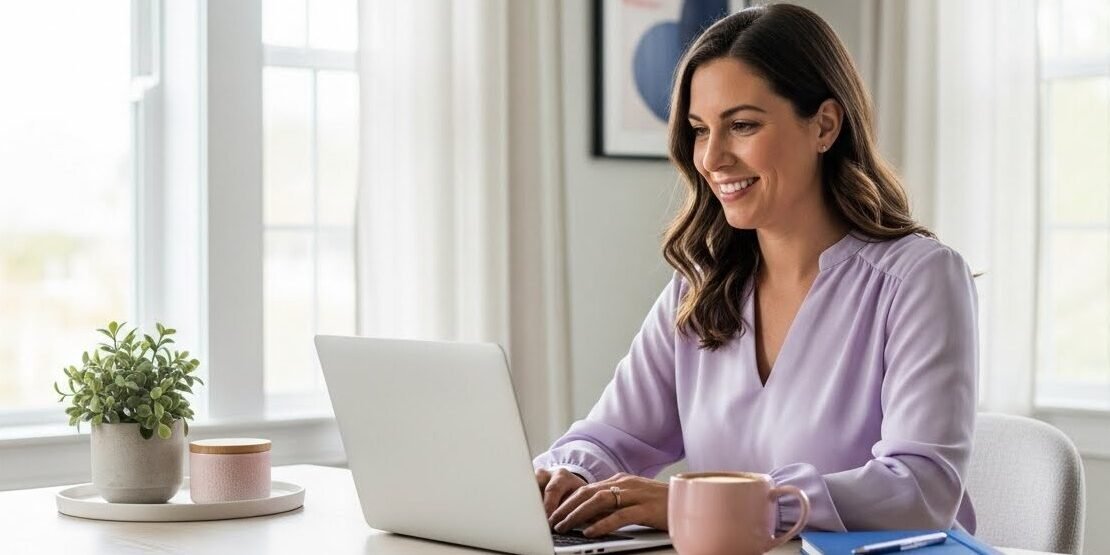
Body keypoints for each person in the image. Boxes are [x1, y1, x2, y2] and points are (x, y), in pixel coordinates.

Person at [533, 3, 979, 539]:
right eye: (700, 130)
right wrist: (569, 474)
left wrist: (702, 502)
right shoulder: (701, 286)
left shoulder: (919, 280)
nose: (712, 158)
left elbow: (918, 489)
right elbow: (612, 436)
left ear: (825, 126)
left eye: (742, 125)